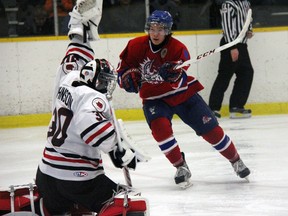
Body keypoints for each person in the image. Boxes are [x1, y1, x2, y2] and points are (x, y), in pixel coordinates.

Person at [35, 0, 148, 215]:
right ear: (94, 80)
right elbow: (92, 128)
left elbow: (74, 56)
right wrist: (118, 149)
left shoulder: (68, 79)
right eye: (104, 81)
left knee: (72, 206)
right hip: (77, 180)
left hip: (46, 175)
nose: (105, 86)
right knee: (128, 203)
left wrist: (79, 32)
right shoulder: (91, 97)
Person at [116, 10, 250, 189]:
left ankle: (235, 160)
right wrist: (125, 79)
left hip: (183, 95)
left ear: (168, 30)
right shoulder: (135, 46)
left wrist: (173, 75)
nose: (155, 33)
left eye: (160, 29)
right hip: (155, 99)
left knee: (211, 131)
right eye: (152, 29)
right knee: (160, 131)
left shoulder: (178, 48)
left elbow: (181, 79)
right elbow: (121, 71)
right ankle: (180, 166)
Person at [208, 0, 254, 119]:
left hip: (242, 45)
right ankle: (213, 108)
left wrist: (249, 29)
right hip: (231, 44)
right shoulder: (229, 4)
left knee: (246, 73)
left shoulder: (245, 2)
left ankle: (236, 105)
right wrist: (232, 46)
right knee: (225, 75)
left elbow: (248, 16)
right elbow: (227, 26)